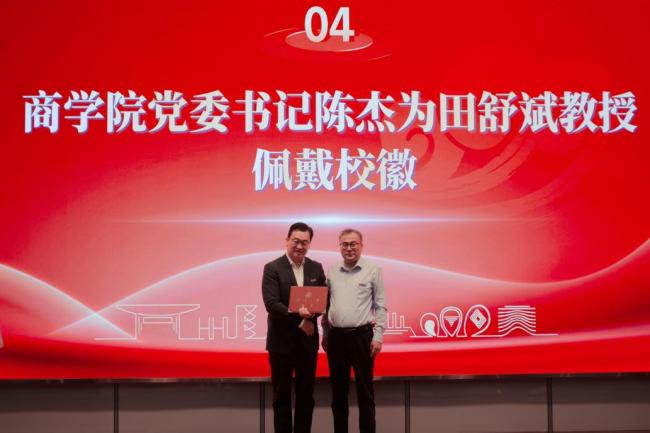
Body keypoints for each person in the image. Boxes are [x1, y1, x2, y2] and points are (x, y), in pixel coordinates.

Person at [262, 222, 326, 433]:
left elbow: (322, 300)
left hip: (307, 344)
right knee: (281, 397)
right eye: (296, 241)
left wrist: (312, 315)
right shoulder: (272, 268)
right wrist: (301, 320)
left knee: (306, 397)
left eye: (304, 242)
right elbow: (272, 304)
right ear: (287, 240)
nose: (299, 246)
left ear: (309, 244)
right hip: (281, 344)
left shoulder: (316, 268)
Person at [322, 228, 387, 433]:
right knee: (338, 395)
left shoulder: (373, 270)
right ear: (340, 246)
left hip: (362, 337)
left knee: (365, 393)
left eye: (353, 244)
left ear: (361, 245)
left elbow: (380, 306)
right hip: (336, 338)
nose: (349, 248)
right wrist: (325, 333)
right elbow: (326, 306)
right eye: (345, 244)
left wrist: (378, 336)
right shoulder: (332, 271)